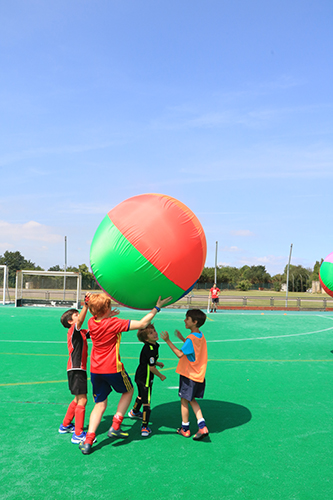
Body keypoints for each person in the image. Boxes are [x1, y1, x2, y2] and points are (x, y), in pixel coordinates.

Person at [79, 293, 171, 455]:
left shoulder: (92, 322)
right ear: (107, 308)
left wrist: (106, 315)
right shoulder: (114, 323)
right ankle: (116, 425)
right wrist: (157, 307)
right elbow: (143, 323)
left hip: (95, 370)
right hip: (113, 368)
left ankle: (88, 440)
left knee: (99, 404)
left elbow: (100, 319)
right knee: (128, 391)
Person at [160, 309, 209, 441]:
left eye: (187, 319)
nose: (184, 320)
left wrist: (167, 340)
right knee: (192, 400)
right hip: (199, 375)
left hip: (189, 375)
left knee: (184, 401)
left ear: (195, 322)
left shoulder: (190, 340)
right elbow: (193, 348)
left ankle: (185, 429)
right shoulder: (200, 335)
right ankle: (202, 425)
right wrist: (183, 338)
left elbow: (180, 354)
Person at [59, 293, 91, 444]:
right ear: (71, 321)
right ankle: (78, 434)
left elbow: (96, 330)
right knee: (83, 400)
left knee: (77, 398)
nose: (79, 316)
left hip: (75, 369)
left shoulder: (81, 333)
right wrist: (86, 305)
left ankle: (65, 425)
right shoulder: (74, 330)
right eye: (76, 315)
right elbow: (82, 321)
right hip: (77, 369)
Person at [128, 323, 166, 437]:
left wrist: (157, 363)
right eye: (151, 333)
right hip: (145, 378)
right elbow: (151, 367)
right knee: (147, 402)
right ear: (146, 339)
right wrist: (160, 375)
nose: (155, 333)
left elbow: (150, 361)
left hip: (140, 375)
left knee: (141, 395)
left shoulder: (154, 345)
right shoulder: (149, 349)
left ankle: (134, 412)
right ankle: (144, 427)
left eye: (154, 330)